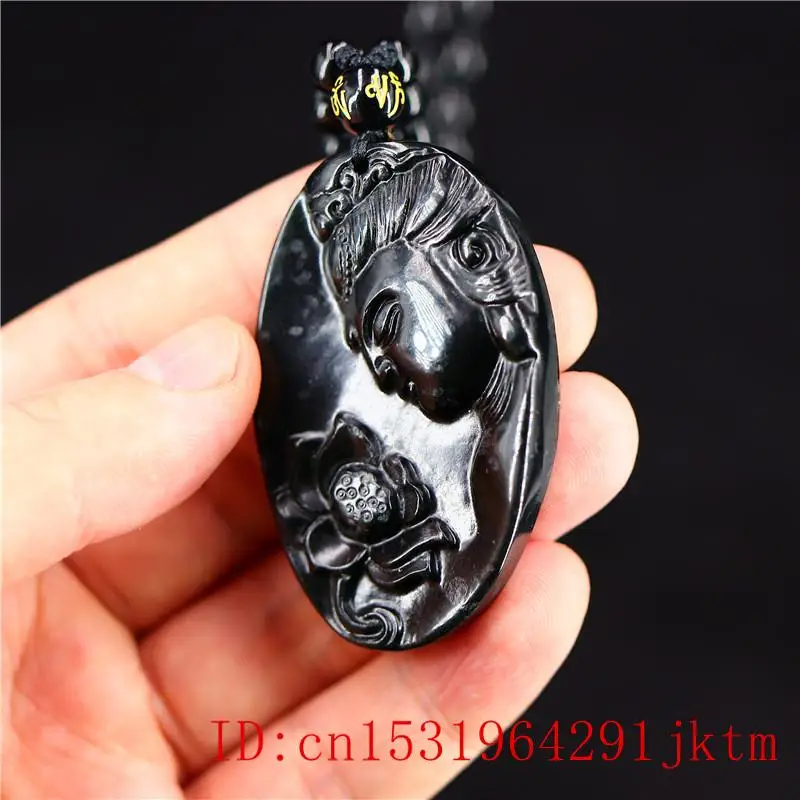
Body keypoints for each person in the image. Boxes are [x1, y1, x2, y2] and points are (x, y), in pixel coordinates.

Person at [1, 163, 638, 798]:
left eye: (388, 324)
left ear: (472, 258)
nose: (382, 373)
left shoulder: (493, 486)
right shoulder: (476, 496)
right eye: (366, 350)